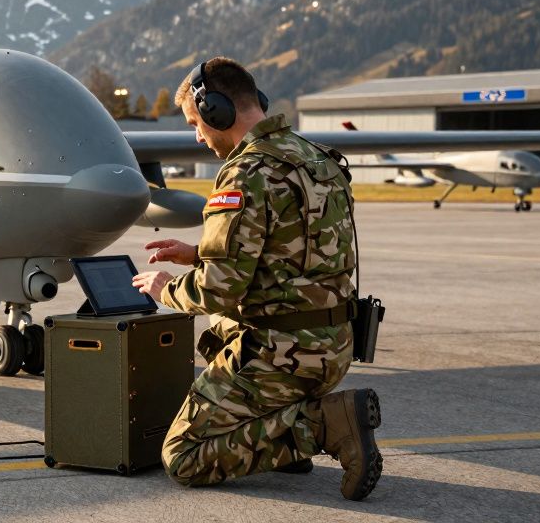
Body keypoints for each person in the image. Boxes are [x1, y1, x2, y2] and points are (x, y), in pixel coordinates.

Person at [131, 57, 383, 501]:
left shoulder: (245, 173)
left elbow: (217, 290)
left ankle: (321, 424)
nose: (197, 136)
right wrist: (198, 254)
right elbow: (295, 254)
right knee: (221, 333)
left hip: (285, 356)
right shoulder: (319, 158)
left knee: (183, 455)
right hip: (336, 346)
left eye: (196, 122)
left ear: (217, 112)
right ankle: (284, 434)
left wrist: (165, 287)